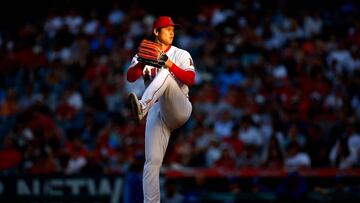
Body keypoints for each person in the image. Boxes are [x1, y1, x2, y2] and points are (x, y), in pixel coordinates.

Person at [126, 16, 196, 203]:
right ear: (156, 32)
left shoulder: (181, 53)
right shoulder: (145, 52)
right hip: (157, 110)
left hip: (179, 106)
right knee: (152, 162)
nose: (172, 32)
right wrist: (141, 63)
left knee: (165, 72)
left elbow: (190, 79)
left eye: (173, 29)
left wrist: (169, 64)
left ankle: (141, 106)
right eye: (167, 29)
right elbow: (130, 77)